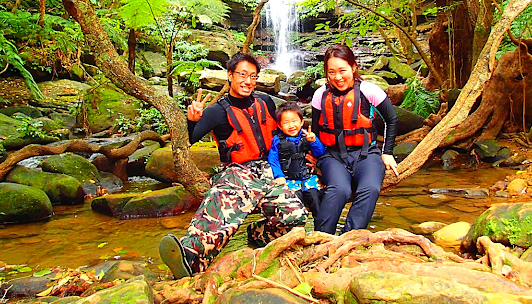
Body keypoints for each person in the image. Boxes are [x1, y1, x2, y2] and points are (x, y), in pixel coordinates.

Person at [159, 52, 308, 279]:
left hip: (268, 170)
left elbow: (287, 130)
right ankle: (190, 257)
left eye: (253, 76)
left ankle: (258, 235)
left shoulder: (265, 102)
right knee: (219, 202)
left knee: (296, 216)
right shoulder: (217, 111)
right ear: (230, 75)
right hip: (238, 170)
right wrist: (191, 120)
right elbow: (190, 138)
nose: (248, 81)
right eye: (242, 75)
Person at [311, 44, 399, 235]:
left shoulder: (369, 90)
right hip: (332, 156)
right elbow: (316, 131)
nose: (338, 77)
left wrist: (388, 152)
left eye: (342, 70)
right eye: (331, 72)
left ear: (353, 67)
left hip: (366, 154)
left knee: (370, 188)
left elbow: (391, 119)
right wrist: (312, 156)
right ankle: (321, 238)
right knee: (339, 189)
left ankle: (348, 238)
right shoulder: (320, 95)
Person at [268, 102, 326, 223]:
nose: (291, 125)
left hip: (308, 178)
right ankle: (297, 232)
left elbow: (320, 152)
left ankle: (321, 230)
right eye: (286, 123)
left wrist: (314, 141)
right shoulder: (277, 140)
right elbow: (273, 159)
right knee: (296, 204)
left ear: (301, 122)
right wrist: (279, 176)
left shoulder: (308, 136)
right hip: (290, 180)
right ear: (279, 125)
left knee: (316, 201)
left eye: (294, 121)